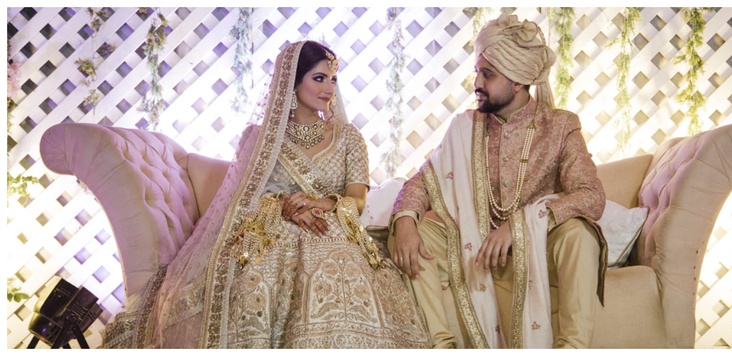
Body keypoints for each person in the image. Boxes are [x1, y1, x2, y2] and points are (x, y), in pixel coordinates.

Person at [102, 40, 431, 348]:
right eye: (319, 78)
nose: (329, 89)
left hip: (332, 228)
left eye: (333, 79)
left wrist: (323, 203)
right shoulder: (258, 139)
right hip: (270, 232)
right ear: (292, 81)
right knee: (259, 274)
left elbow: (357, 198)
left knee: (337, 262)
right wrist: (286, 206)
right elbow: (242, 199)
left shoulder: (348, 137)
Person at [389, 14, 608, 349]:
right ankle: (441, 344)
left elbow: (591, 196)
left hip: (536, 251)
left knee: (580, 233)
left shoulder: (560, 126)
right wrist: (405, 221)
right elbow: (421, 182)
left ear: (519, 81)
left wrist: (521, 225)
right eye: (478, 71)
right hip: (474, 250)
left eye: (487, 74)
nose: (477, 82)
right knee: (409, 231)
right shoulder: (466, 127)